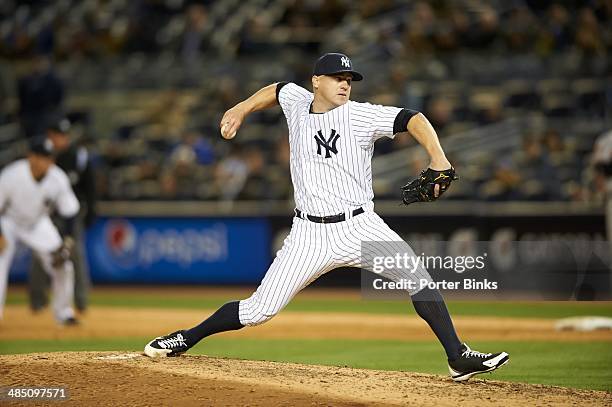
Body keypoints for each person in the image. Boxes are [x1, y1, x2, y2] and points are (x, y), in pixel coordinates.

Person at [144, 53, 509, 381]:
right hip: (308, 234)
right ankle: (186, 338)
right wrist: (241, 108)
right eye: (337, 78)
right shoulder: (298, 102)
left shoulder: (361, 115)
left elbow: (413, 118)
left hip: (359, 225)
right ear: (316, 81)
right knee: (258, 310)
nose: (345, 84)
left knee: (417, 275)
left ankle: (457, 356)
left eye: (349, 79)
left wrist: (439, 158)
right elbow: (277, 88)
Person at [0, 137, 79, 325]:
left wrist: (67, 241)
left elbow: (70, 212)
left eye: (49, 157)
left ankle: (64, 313)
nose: (46, 161)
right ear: (31, 157)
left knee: (64, 265)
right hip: (9, 222)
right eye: (42, 156)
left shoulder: (57, 177)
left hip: (38, 223)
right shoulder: (12, 175)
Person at [28, 118, 95, 313]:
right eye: (56, 134)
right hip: (46, 214)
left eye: (63, 135)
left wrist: (91, 211)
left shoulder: (79, 156)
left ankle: (81, 302)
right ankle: (38, 302)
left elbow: (89, 188)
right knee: (39, 257)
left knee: (75, 255)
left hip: (71, 214)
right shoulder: (43, 156)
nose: (59, 139)